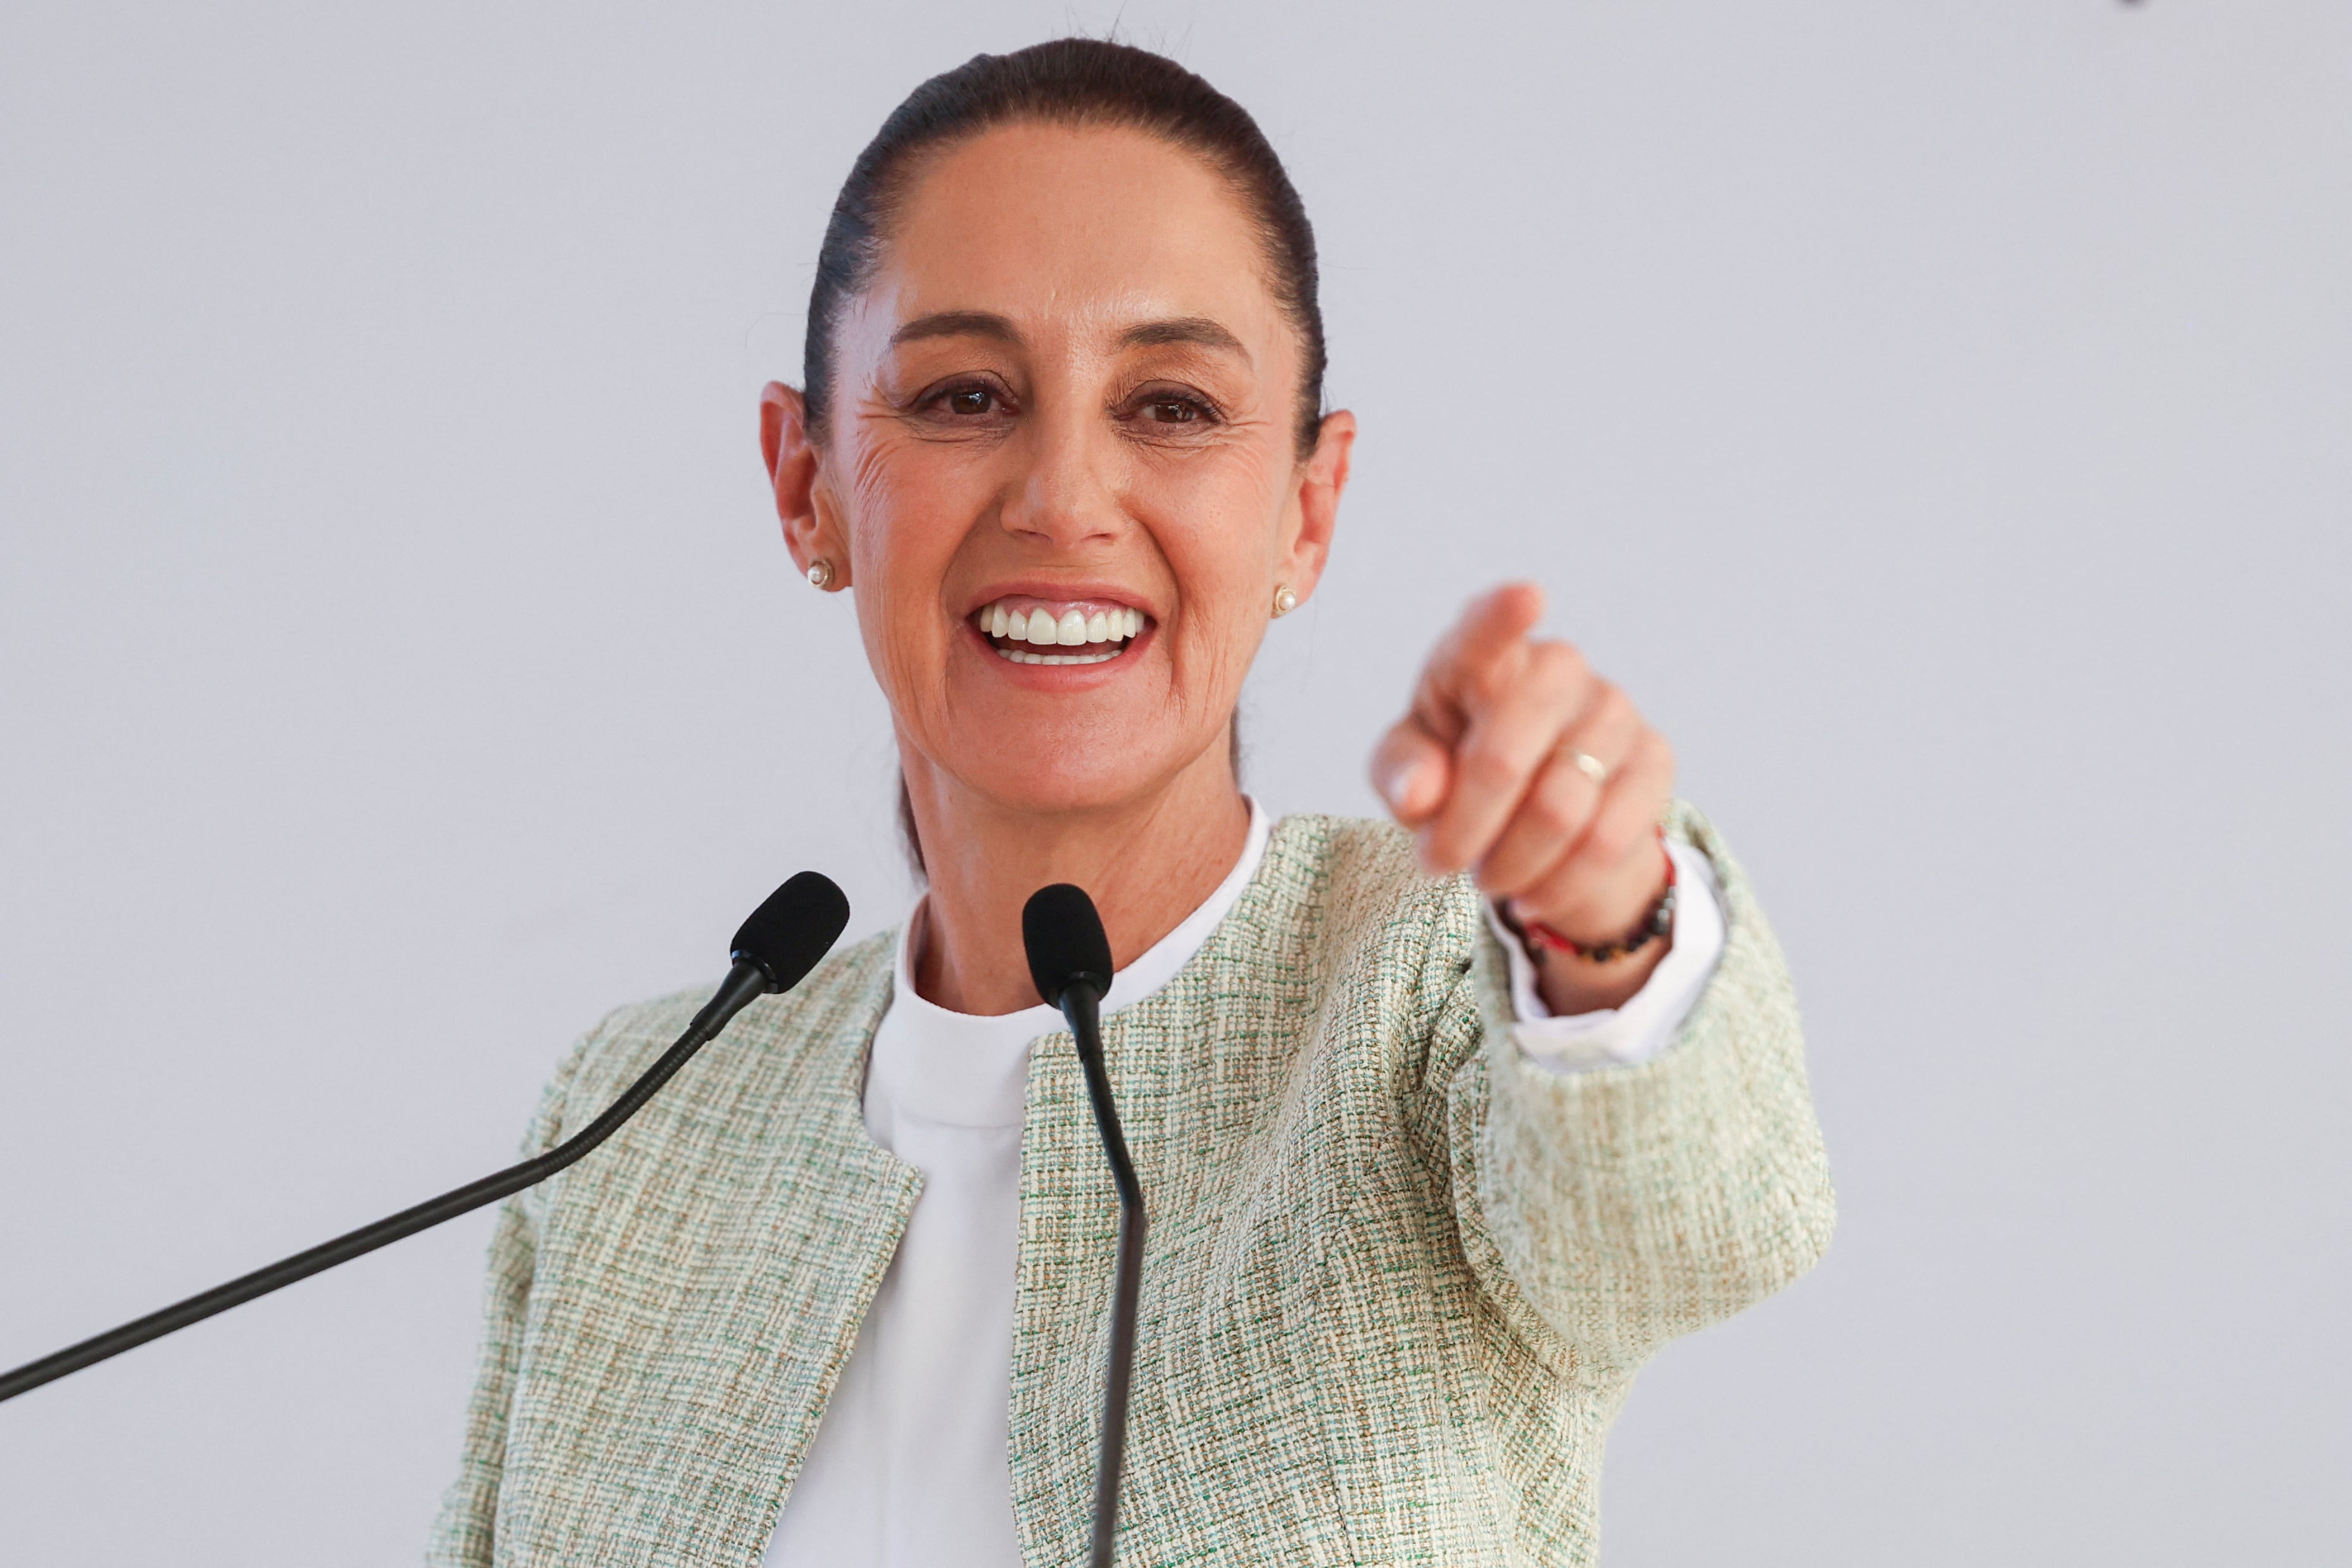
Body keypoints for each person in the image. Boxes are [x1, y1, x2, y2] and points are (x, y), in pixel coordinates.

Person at [428, 38, 1832, 1568]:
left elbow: (1687, 1232)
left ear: (1306, 510)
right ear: (806, 483)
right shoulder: (633, 1120)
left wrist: (1603, 924)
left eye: (1170, 405)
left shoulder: (1433, 986)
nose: (1064, 498)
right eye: (965, 395)